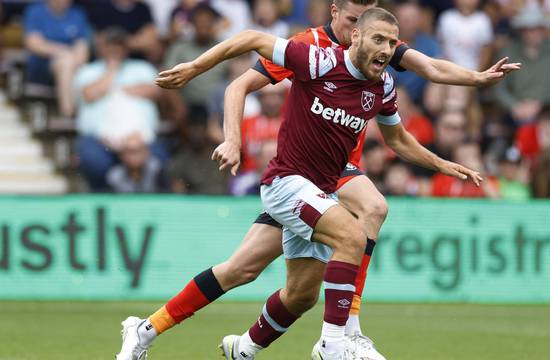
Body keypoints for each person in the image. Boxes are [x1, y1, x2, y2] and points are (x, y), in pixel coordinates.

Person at [114, 1, 520, 359]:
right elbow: (250, 43)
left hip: (324, 186)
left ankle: (183, 337)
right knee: (360, 226)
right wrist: (200, 73)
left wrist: (445, 158)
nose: (385, 49)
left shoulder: (382, 81)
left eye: (390, 43)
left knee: (282, 287)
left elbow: (404, 124)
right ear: (350, 26)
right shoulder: (314, 55)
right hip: (289, 181)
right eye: (371, 34)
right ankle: (338, 340)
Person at [73, 27, 165, 191]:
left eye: (119, 46)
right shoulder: (88, 71)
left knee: (159, 158)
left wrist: (115, 88)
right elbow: (89, 94)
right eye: (110, 46)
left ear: (126, 49)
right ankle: (106, 199)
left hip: (141, 137)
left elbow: (155, 90)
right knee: (93, 159)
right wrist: (111, 72)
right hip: (100, 140)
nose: (115, 50)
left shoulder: (142, 68)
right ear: (102, 48)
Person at [494, 2, 550, 124]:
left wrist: (543, 104)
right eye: (528, 29)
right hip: (517, 112)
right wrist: (514, 105)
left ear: (543, 29)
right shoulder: (508, 50)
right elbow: (499, 88)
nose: (533, 33)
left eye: (537, 28)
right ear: (521, 30)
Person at [23, 0, 90, 117]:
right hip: (42, 65)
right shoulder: (35, 11)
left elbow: (82, 50)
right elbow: (35, 44)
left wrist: (73, 59)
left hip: (73, 64)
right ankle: (68, 112)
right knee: (66, 62)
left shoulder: (78, 13)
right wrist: (63, 52)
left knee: (79, 67)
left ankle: (76, 113)